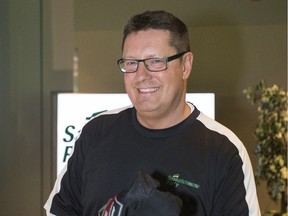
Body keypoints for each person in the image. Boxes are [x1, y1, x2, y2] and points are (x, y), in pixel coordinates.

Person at [44, 10, 261, 215]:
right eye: (131, 63)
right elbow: (58, 210)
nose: (141, 76)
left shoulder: (223, 150)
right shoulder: (96, 132)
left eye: (155, 61)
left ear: (185, 65)